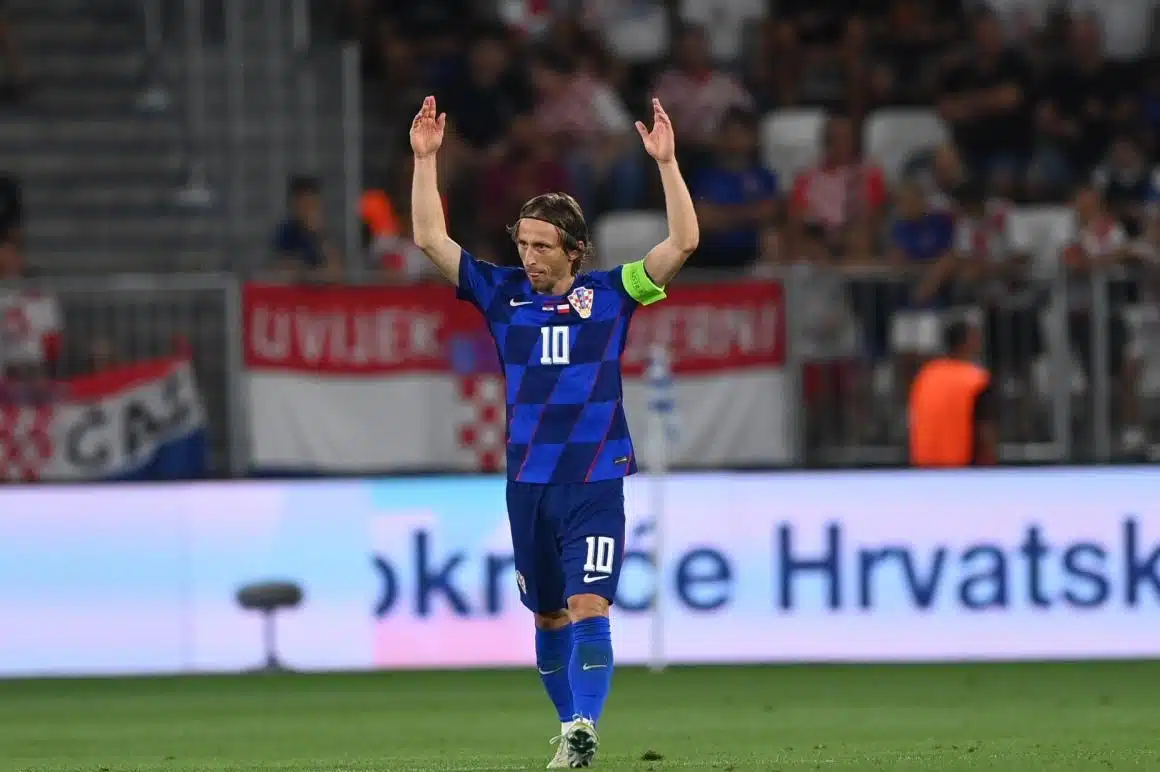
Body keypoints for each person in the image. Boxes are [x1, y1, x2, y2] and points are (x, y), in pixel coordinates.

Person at [408, 95, 698, 768]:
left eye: (542, 246)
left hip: (595, 479)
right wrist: (425, 161)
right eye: (523, 244)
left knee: (589, 603)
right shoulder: (501, 294)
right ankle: (570, 726)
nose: (530, 256)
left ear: (573, 250)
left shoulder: (614, 293)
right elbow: (429, 239)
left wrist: (668, 163)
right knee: (546, 618)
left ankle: (584, 729)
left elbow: (683, 243)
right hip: (529, 483)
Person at [908, 318, 998, 467]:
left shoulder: (926, 375)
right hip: (961, 471)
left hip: (924, 469)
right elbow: (985, 433)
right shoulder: (976, 380)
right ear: (967, 342)